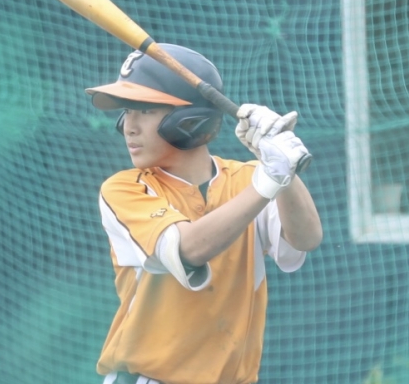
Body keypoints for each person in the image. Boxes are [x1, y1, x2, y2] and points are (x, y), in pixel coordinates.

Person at [85, 43, 323, 384]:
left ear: (190, 119)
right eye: (127, 111)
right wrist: (269, 180)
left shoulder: (248, 180)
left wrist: (281, 165)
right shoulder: (125, 189)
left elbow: (306, 238)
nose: (128, 126)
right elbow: (188, 250)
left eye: (145, 110)